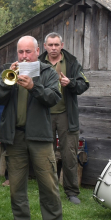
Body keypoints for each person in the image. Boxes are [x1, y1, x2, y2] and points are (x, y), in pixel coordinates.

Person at [0, 36, 68, 220]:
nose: (24, 56)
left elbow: (54, 98)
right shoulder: (10, 70)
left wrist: (33, 87)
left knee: (48, 183)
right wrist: (9, 82)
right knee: (16, 185)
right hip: (15, 137)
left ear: (36, 51)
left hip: (40, 137)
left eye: (28, 52)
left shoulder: (47, 72)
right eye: (21, 52)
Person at [39, 32, 89, 204]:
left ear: (62, 45)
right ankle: (49, 189)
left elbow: (84, 84)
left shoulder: (72, 62)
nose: (53, 48)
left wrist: (71, 83)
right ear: (45, 46)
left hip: (67, 115)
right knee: (47, 154)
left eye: (56, 45)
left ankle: (72, 192)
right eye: (50, 45)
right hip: (44, 115)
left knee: (69, 154)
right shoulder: (37, 62)